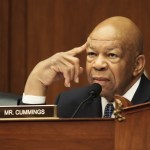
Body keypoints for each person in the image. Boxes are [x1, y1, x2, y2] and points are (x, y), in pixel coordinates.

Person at [20, 16, 150, 118]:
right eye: (92, 54)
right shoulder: (71, 105)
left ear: (137, 65)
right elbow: (33, 141)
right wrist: (37, 82)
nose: (98, 65)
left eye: (111, 55)